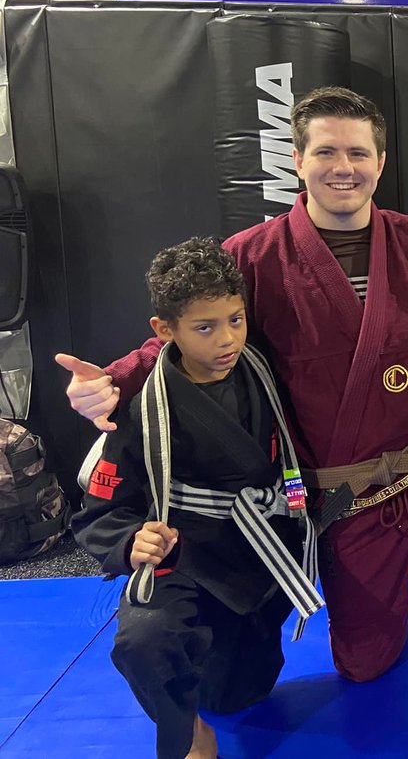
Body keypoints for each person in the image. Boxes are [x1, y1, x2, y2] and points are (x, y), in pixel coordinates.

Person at [58, 86, 408, 685]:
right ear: (298, 160)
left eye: (358, 153)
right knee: (366, 664)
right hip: (347, 490)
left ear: (380, 163)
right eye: (327, 152)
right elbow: (188, 335)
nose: (344, 167)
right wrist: (115, 380)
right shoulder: (253, 256)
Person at [72, 237, 320, 759]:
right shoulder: (142, 408)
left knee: (239, 695)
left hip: (260, 556)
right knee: (144, 640)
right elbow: (101, 511)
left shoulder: (266, 371)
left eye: (235, 320)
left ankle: (223, 671)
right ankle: (188, 733)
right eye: (204, 328)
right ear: (165, 330)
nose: (226, 339)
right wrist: (130, 540)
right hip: (185, 557)